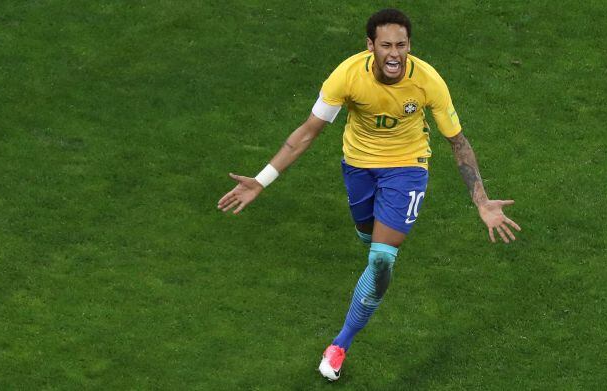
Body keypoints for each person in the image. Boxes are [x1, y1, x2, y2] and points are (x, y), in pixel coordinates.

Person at [217, 8, 521, 381]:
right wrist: (261, 180)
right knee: (367, 236)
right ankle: (375, 243)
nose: (395, 54)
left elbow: (457, 142)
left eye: (402, 45)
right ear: (370, 46)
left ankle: (340, 343)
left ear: (410, 45)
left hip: (407, 168)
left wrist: (481, 200)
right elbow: (308, 132)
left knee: (380, 260)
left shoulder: (428, 81)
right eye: (386, 45)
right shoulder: (347, 76)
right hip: (358, 167)